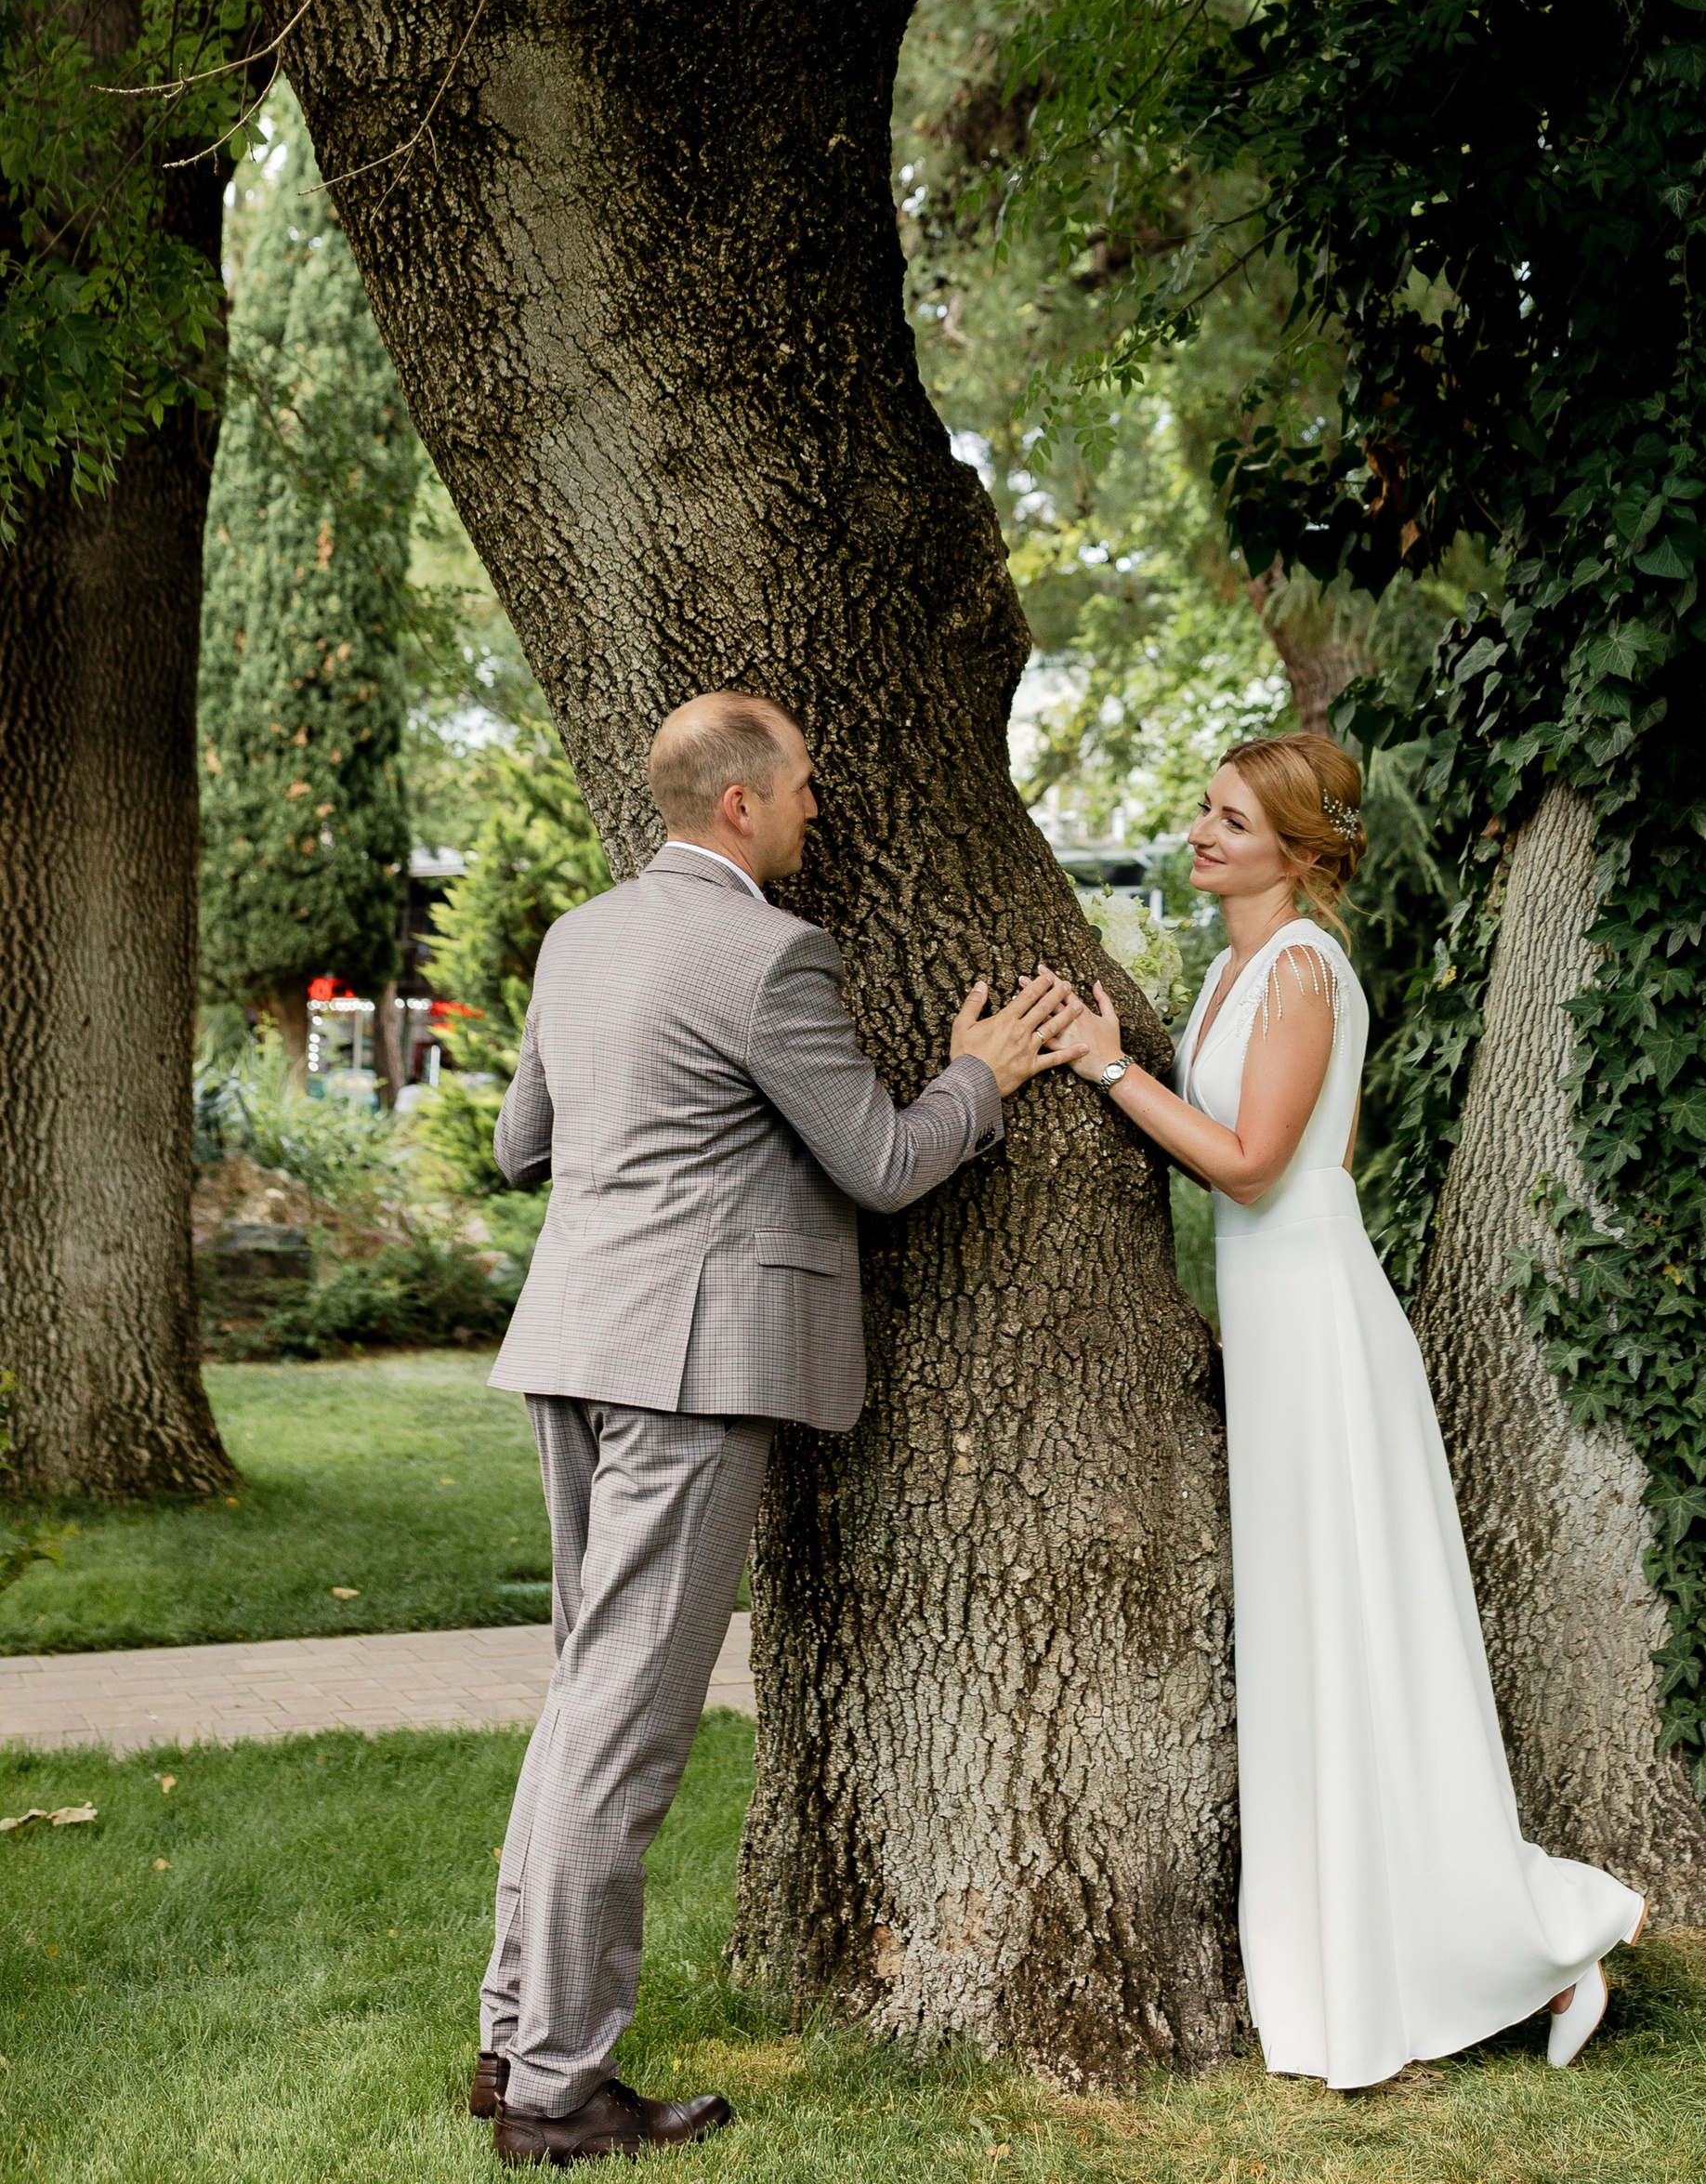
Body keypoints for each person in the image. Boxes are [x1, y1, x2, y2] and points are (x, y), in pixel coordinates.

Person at [475, 690, 1077, 2164]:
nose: (821, 803)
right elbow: (879, 1162)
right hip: (687, 1370)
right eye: (805, 781)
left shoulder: (579, 936)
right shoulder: (770, 956)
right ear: (739, 803)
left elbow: (519, 1144)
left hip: (571, 1344)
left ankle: (510, 2045)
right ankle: (557, 2095)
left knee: (581, 1705)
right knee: (623, 1737)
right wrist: (982, 1079)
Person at [1055, 731, 1644, 2092]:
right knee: (1317, 1648)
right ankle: (1366, 1957)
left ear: (1300, 853)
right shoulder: (1232, 970)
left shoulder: (1308, 970)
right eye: (1202, 809)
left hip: (1318, 1327)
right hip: (1275, 1331)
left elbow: (1257, 1169)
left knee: (1358, 1637)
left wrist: (1105, 1067)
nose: (1201, 833)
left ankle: (1535, 1936)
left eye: (1231, 821)